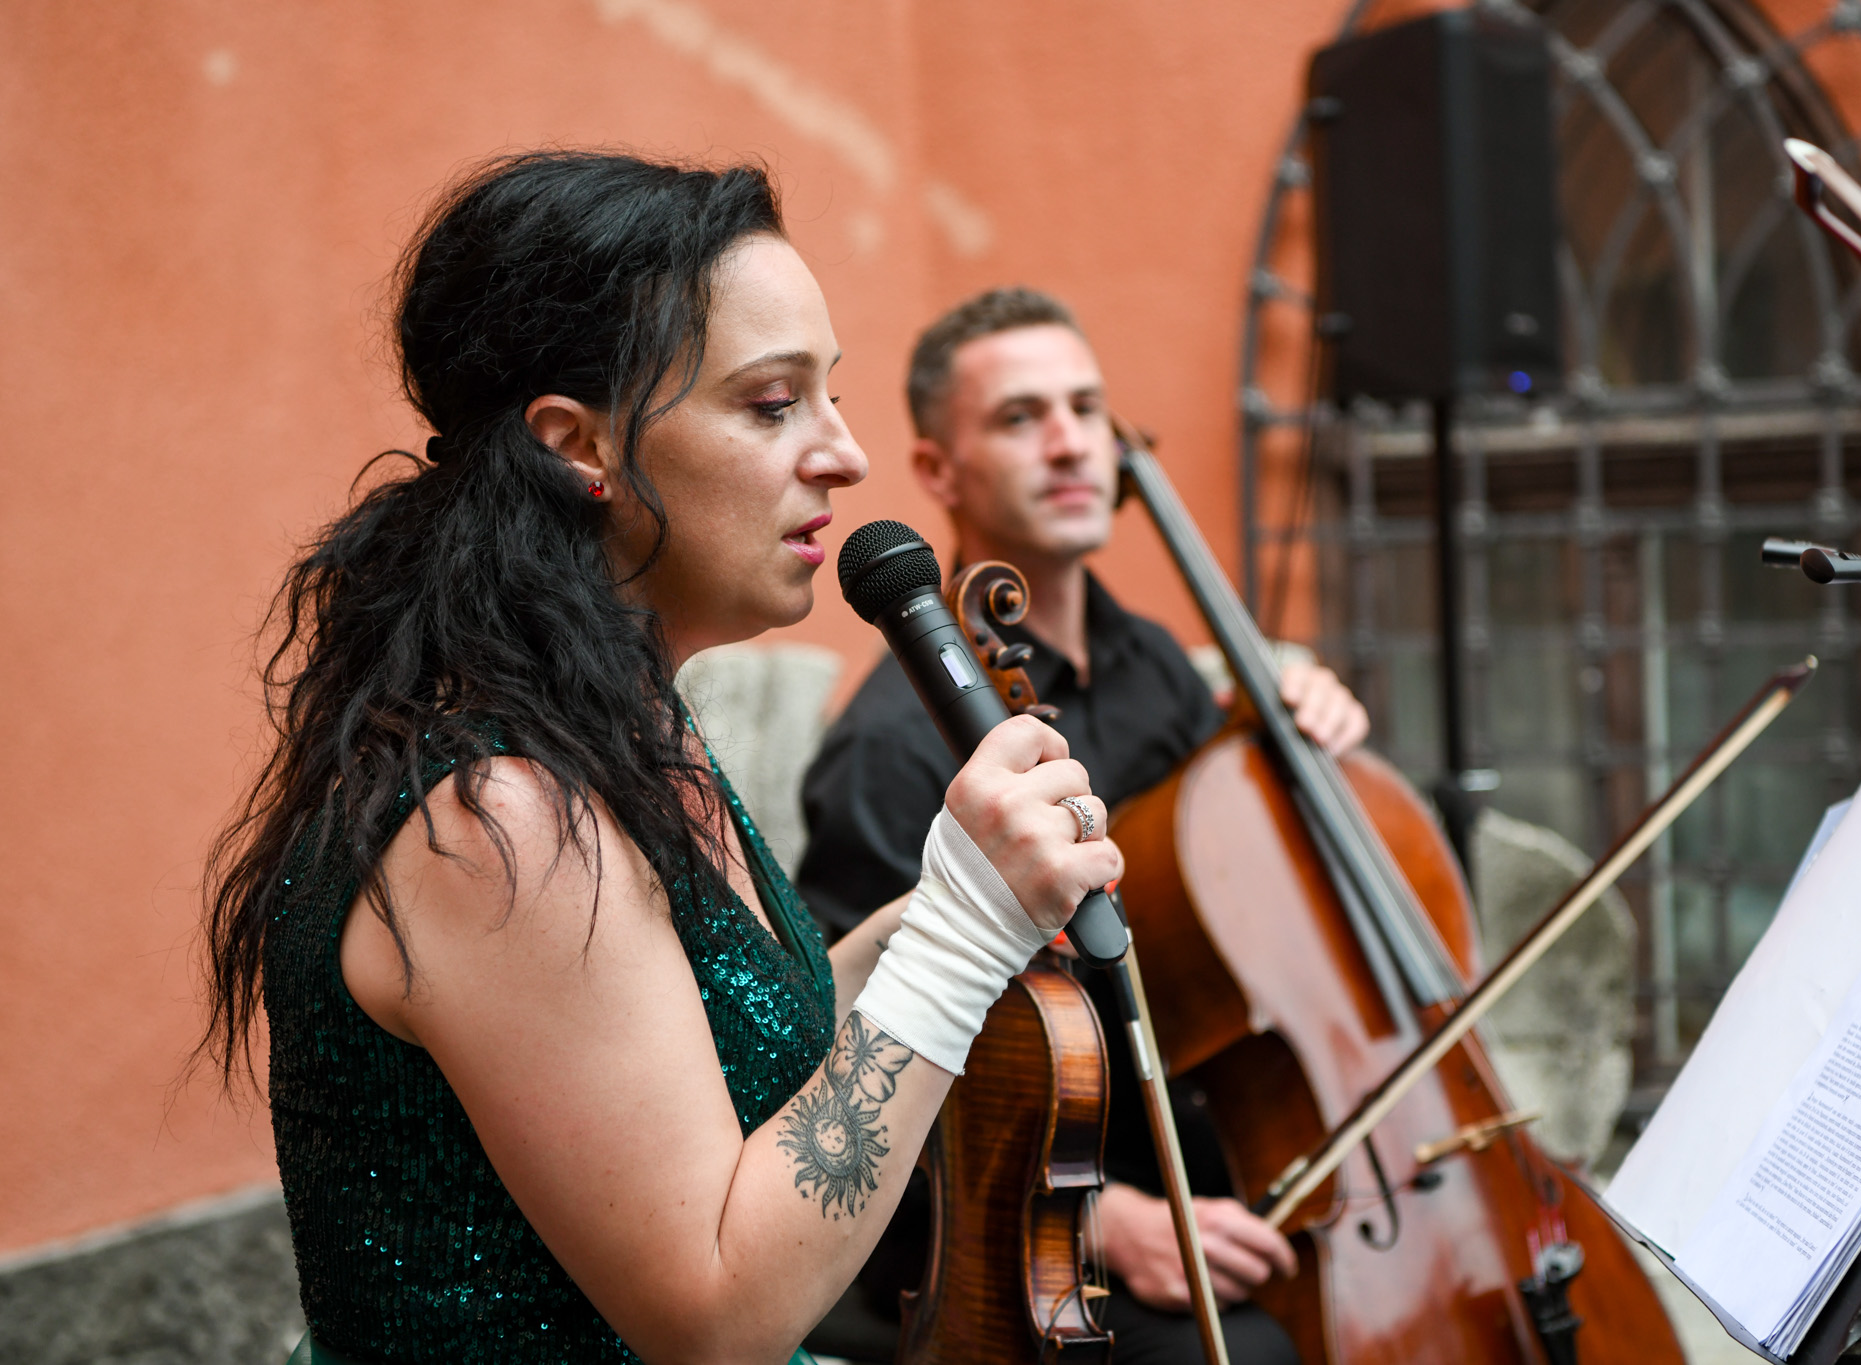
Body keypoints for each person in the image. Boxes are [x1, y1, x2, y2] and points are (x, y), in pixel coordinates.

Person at [200, 154, 1123, 1365]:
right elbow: (714, 1318)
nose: (844, 454)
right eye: (771, 403)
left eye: (829, 393)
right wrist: (955, 933)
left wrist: (958, 913)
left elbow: (721, 1036)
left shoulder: (619, 724)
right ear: (576, 446)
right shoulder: (496, 817)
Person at [797, 288, 1371, 1365]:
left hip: (1211, 1160)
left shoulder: (1159, 666)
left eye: (1085, 408)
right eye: (1020, 417)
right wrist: (1109, 1221)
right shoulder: (887, 749)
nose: (1070, 443)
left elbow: (1223, 891)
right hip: (1026, 1222)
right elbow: (851, 1076)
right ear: (936, 471)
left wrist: (1287, 737)